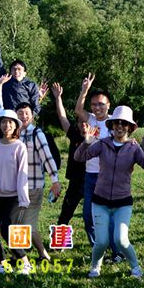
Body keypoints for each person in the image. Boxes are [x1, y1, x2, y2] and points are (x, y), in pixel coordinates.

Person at [73, 106, 144, 279]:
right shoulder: (102, 144)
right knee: (101, 241)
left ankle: (135, 268)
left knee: (121, 240)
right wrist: (87, 141)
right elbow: (79, 158)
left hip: (122, 202)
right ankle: (96, 266)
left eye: (124, 123)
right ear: (111, 125)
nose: (119, 126)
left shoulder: (134, 147)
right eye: (116, 123)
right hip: (100, 200)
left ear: (130, 127)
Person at [13, 100, 63, 270]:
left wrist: (55, 180)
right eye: (20, 114)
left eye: (26, 113)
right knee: (21, 223)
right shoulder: (13, 134)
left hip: (34, 186)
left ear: (32, 116)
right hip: (16, 188)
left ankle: (24, 256)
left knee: (26, 223)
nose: (23, 116)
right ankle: (39, 253)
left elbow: (47, 157)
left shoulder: (37, 133)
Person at [0, 110, 30, 270]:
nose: (6, 125)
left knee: (6, 230)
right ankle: (2, 264)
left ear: (16, 125)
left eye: (10, 122)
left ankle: (25, 263)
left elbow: (23, 174)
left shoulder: (19, 147)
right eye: (3, 122)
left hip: (14, 196)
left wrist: (23, 198)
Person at [73, 75, 116, 251]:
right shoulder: (90, 119)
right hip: (90, 175)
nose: (97, 108)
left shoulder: (115, 122)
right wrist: (84, 90)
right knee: (88, 216)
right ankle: (98, 247)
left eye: (101, 104)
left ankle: (116, 251)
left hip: (109, 176)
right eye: (94, 104)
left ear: (108, 105)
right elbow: (77, 110)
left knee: (109, 216)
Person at [50, 82, 89, 243]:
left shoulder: (97, 137)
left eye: (86, 122)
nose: (83, 125)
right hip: (75, 181)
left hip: (93, 182)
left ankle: (100, 243)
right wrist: (58, 98)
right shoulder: (74, 134)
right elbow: (62, 117)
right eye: (80, 122)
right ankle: (60, 242)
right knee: (66, 212)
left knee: (92, 215)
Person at [0, 22, 40, 114]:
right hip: (7, 118)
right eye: (14, 69)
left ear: (25, 73)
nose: (16, 71)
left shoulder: (31, 85)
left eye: (19, 69)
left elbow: (35, 106)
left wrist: (28, 117)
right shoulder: (5, 80)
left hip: (24, 119)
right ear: (10, 71)